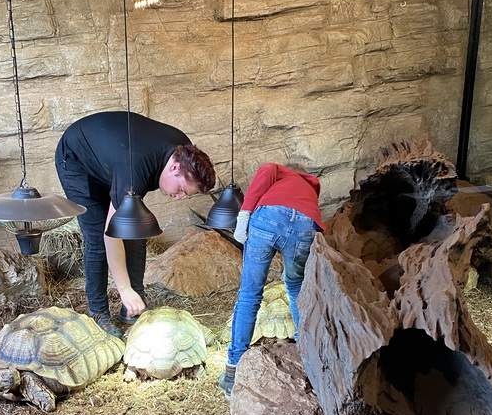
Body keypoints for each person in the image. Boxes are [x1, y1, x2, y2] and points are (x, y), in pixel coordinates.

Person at [55, 111, 216, 337]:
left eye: (185, 195)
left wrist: (132, 292)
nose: (179, 197)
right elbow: (111, 234)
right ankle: (98, 312)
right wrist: (124, 289)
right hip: (77, 160)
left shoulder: (185, 150)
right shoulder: (134, 173)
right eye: (180, 189)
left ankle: (133, 308)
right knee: (98, 238)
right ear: (175, 168)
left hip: (114, 158)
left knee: (135, 231)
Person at [219, 163, 324, 397]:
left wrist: (244, 214)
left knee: (250, 293)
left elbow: (267, 168)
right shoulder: (310, 187)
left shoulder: (282, 172)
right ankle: (305, 354)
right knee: (297, 287)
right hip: (306, 225)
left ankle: (233, 371)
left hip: (269, 216)